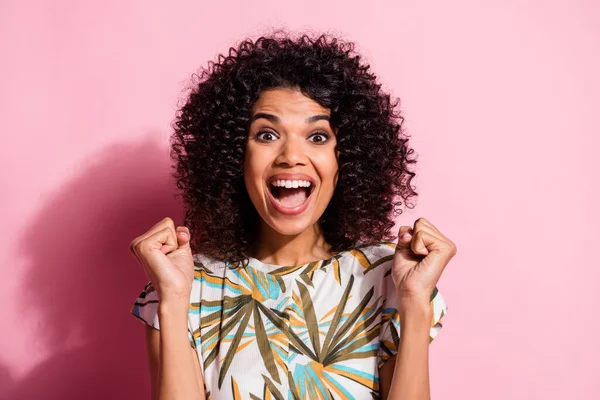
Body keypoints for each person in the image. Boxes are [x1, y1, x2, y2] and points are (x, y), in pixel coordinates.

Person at [129, 30, 456, 400]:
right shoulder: (187, 287)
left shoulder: (390, 281)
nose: (290, 156)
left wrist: (413, 300)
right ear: (235, 155)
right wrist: (172, 298)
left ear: (344, 159)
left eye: (317, 137)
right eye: (267, 135)